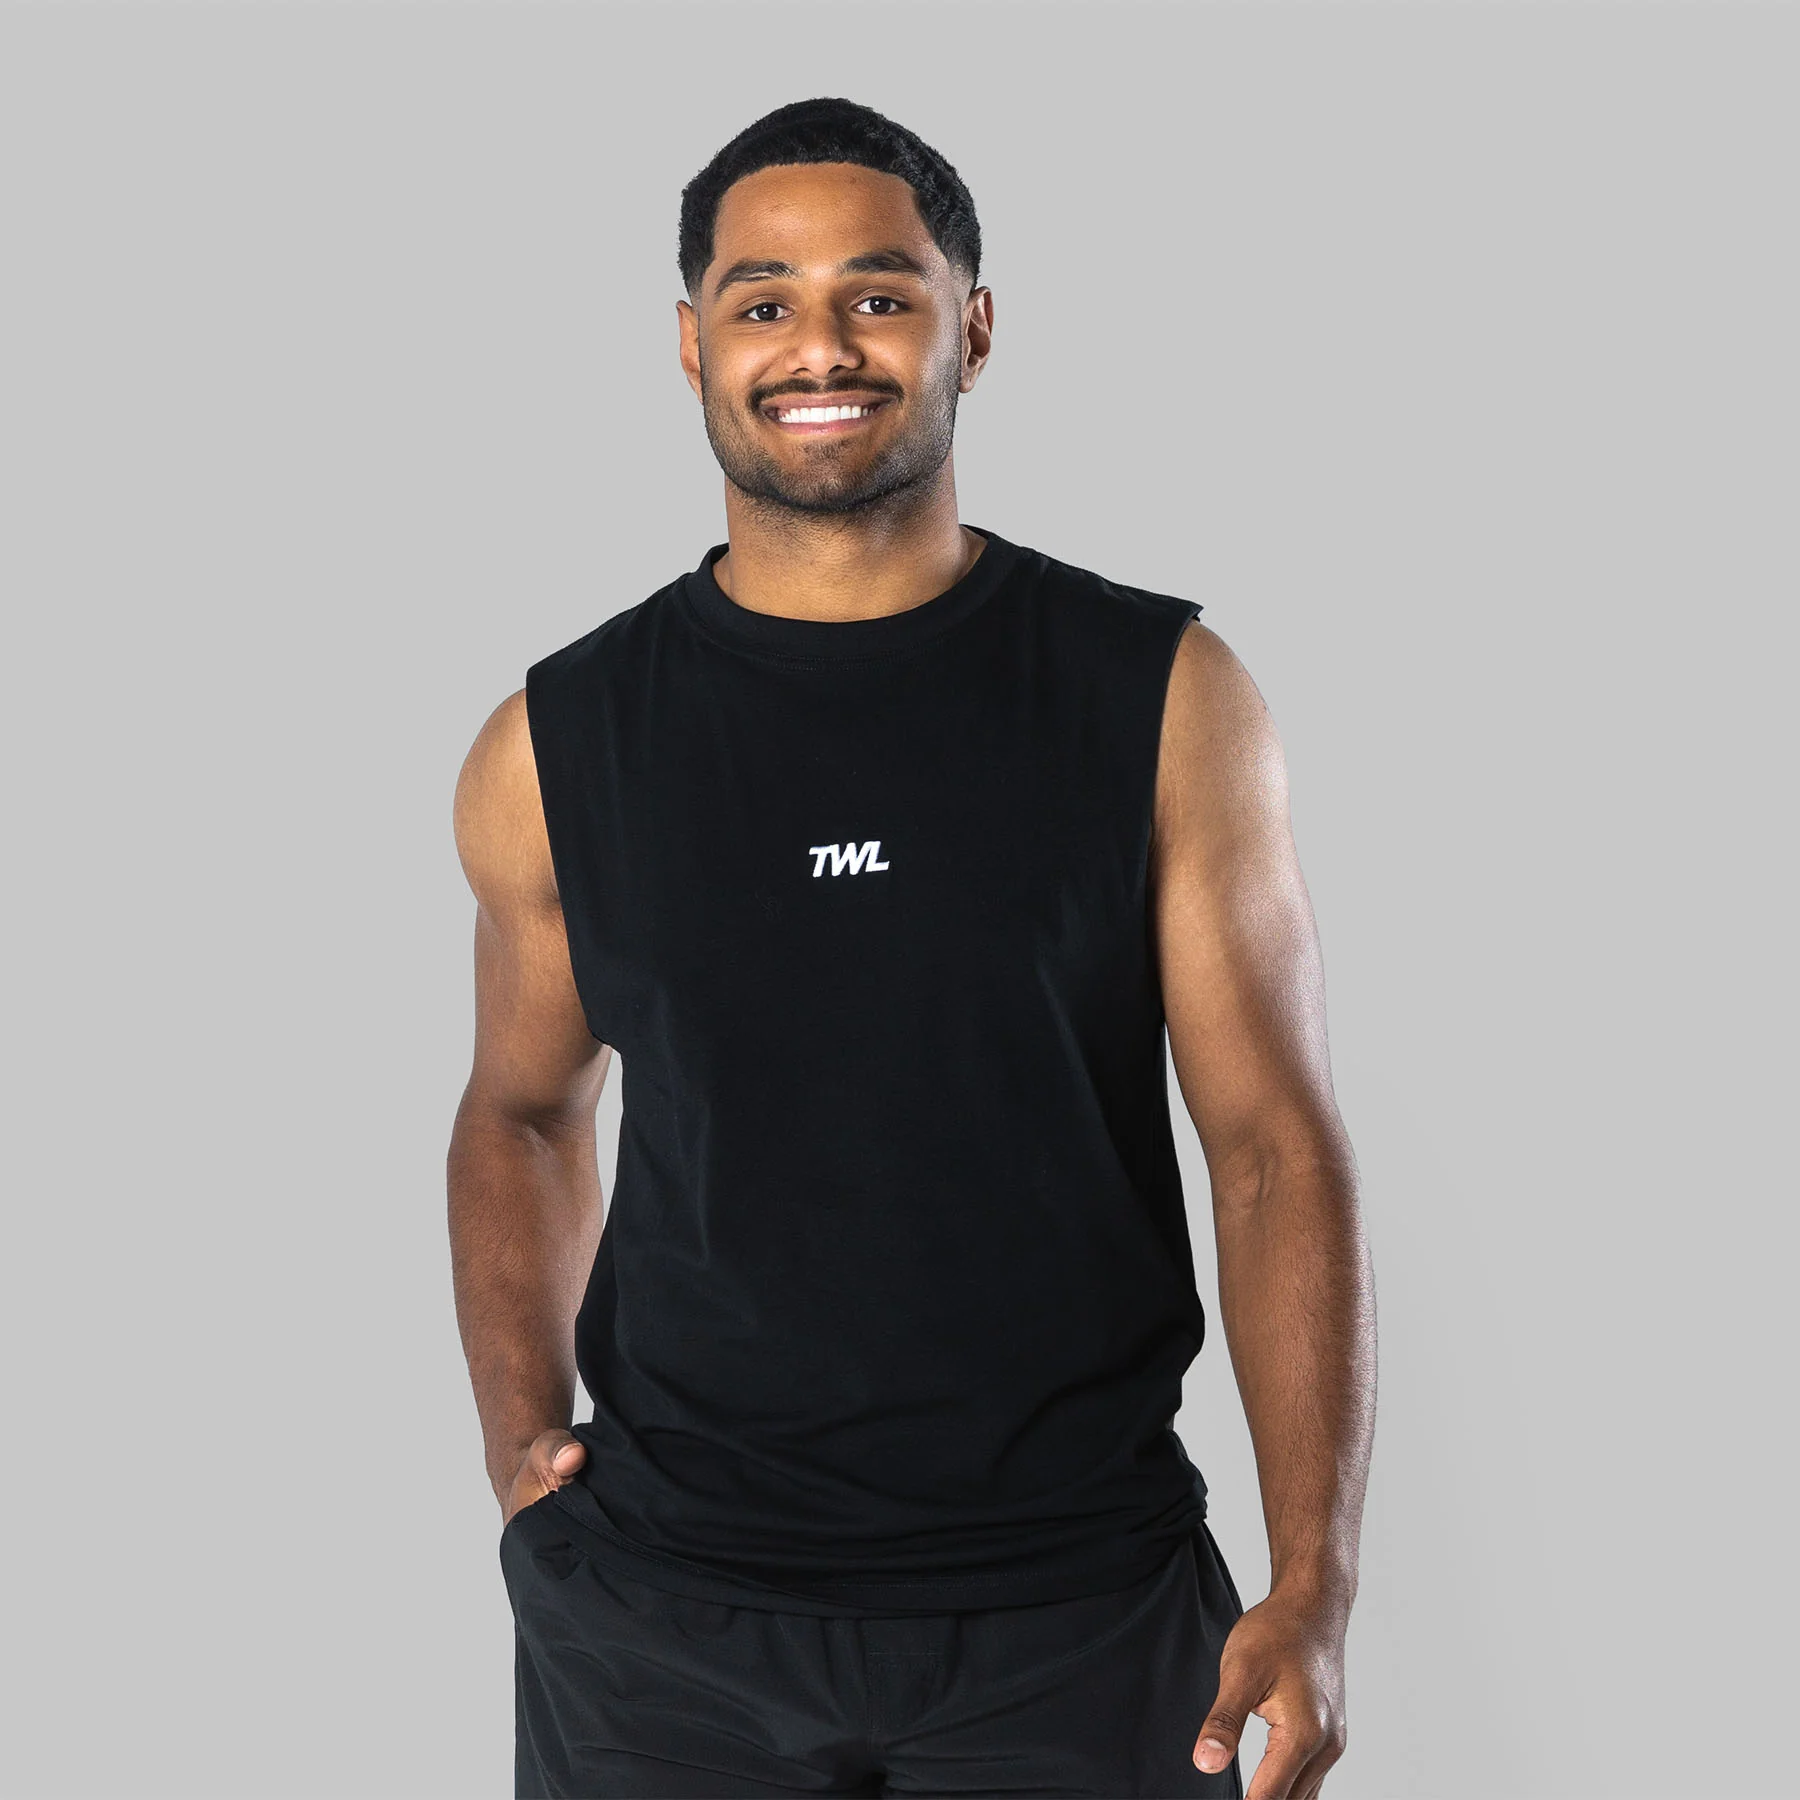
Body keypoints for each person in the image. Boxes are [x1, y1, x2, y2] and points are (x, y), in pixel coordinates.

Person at [449, 95, 1375, 1800]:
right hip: (661, 1626)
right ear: (693, 344)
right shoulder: (559, 740)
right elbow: (518, 1111)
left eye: (879, 295)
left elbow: (1268, 1150)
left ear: (975, 329)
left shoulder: (1160, 698)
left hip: (1080, 1607)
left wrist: (1313, 1580)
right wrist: (523, 1447)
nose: (822, 347)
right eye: (764, 302)